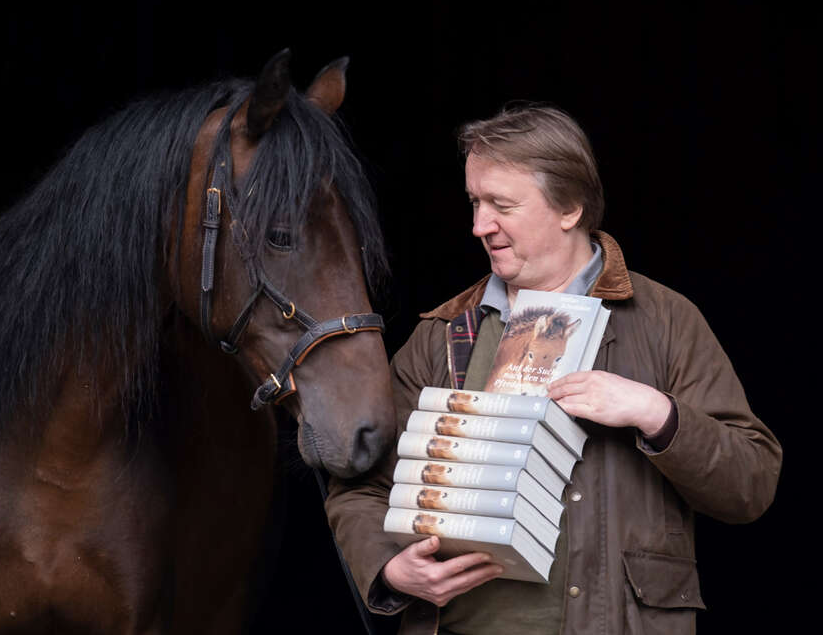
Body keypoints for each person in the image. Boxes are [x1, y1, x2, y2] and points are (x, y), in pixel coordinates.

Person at [325, 104, 781, 635]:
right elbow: (358, 488)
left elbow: (752, 483)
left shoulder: (666, 321)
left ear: (569, 208)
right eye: (475, 201)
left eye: (501, 204)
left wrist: (657, 413)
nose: (478, 226)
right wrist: (389, 566)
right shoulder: (444, 334)